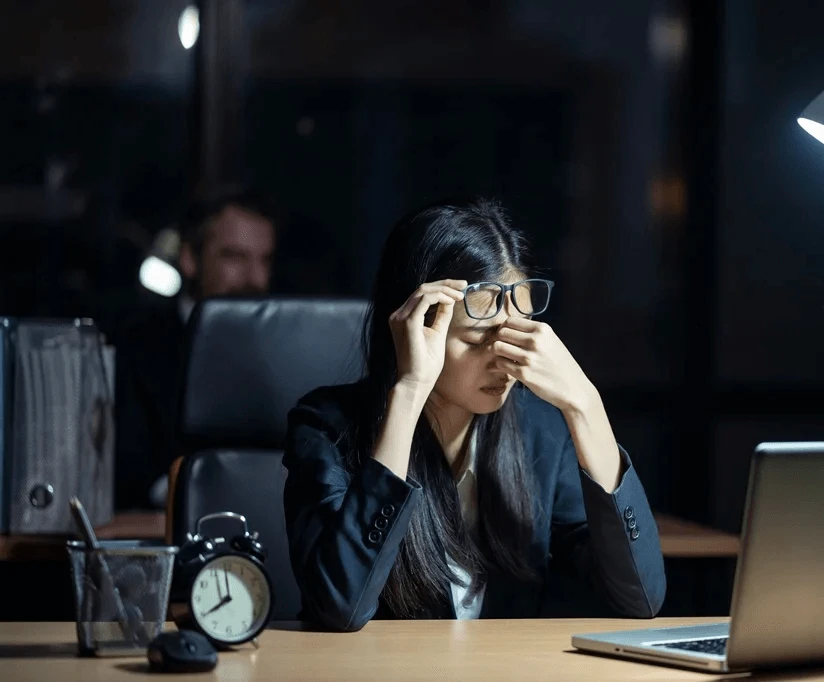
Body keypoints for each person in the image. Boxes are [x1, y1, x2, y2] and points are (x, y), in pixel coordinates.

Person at [283, 198, 665, 631]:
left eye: (515, 336)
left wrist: (585, 404)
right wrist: (408, 391)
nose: (502, 359)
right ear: (415, 329)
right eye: (478, 337)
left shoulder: (541, 431)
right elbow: (339, 607)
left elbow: (641, 598)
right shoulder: (325, 425)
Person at [114, 186, 277, 510]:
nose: (254, 278)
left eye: (265, 260)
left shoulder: (281, 354)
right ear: (190, 259)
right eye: (234, 257)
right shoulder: (136, 348)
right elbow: (129, 472)